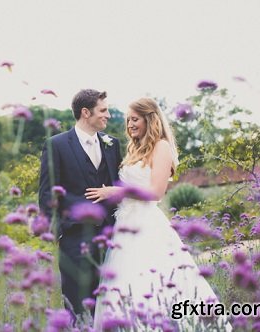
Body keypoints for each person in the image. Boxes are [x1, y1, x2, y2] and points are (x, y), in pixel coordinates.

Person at [87, 98, 232, 331]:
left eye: (135, 119)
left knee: (151, 279)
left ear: (150, 119)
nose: (130, 125)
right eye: (128, 120)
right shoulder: (134, 148)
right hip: (124, 226)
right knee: (125, 284)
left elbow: (156, 192)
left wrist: (117, 190)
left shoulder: (161, 146)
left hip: (147, 225)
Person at [38, 89, 122, 319]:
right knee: (77, 307)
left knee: (112, 304)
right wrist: (59, 233)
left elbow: (119, 184)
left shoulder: (112, 144)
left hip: (111, 237)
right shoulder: (56, 145)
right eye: (103, 110)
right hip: (74, 239)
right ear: (86, 112)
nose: (108, 115)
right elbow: (46, 194)